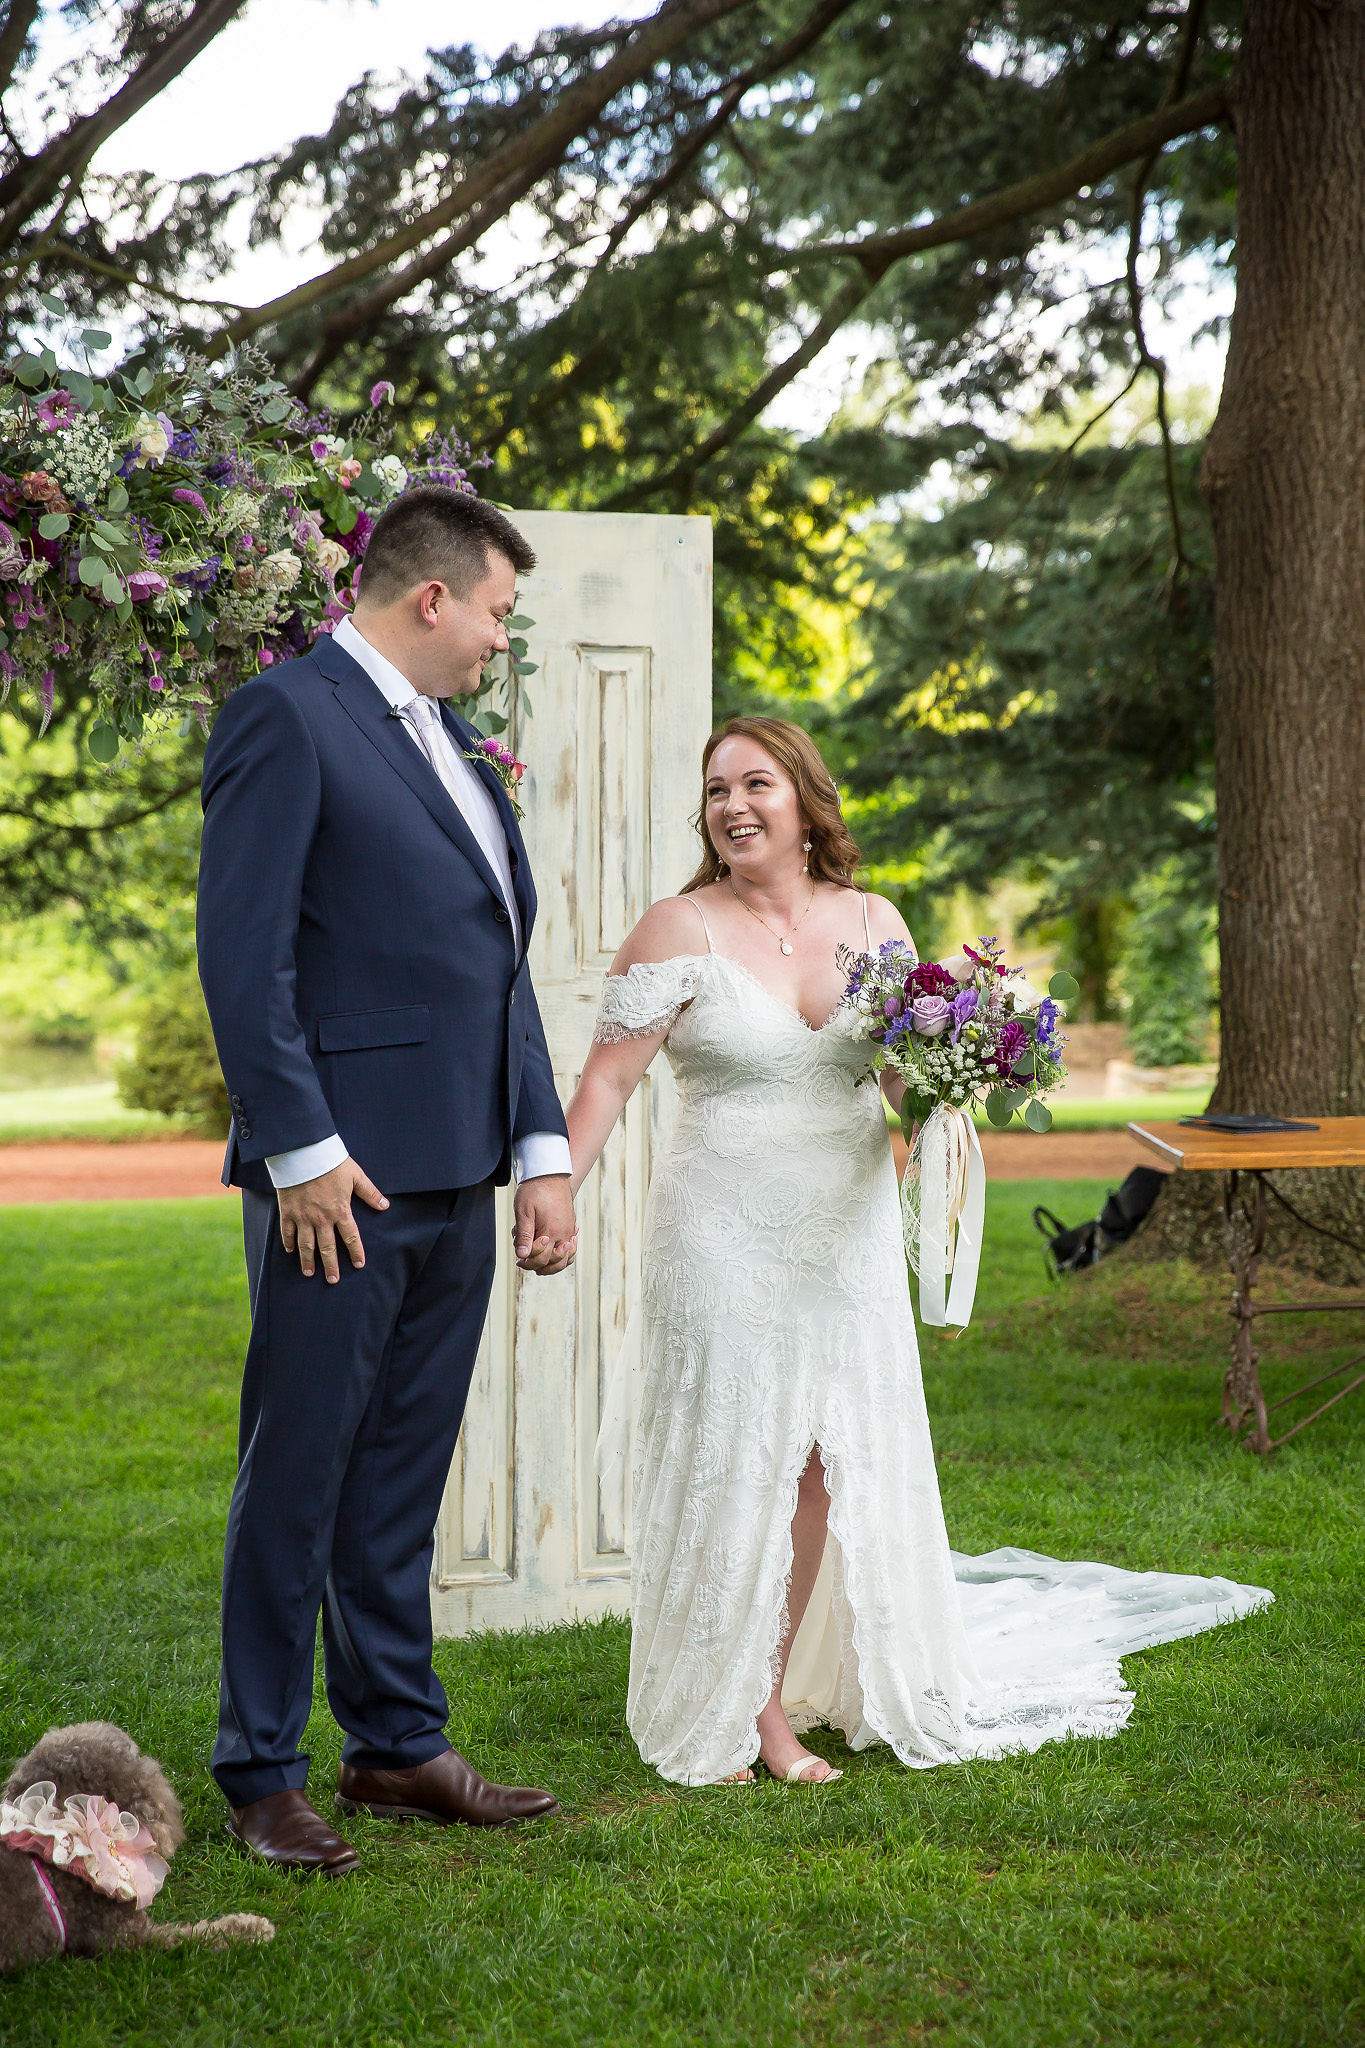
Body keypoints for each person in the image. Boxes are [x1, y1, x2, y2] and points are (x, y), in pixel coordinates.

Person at [564, 716, 1271, 1787]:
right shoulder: (677, 927)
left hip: (845, 1229)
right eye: (715, 789)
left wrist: (955, 1072)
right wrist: (550, 1190)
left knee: (815, 1464)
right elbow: (607, 1081)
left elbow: (899, 1079)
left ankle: (775, 1684)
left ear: (804, 799)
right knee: (740, 1455)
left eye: (755, 782)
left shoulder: (871, 919)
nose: (732, 805)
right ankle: (750, 1711)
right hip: (720, 1229)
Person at [197, 487, 577, 1874]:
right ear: (431, 598)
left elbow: (493, 969)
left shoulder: (460, 748)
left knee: (401, 1475)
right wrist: (300, 1154)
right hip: (337, 1186)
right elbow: (246, 959)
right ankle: (259, 1768)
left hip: (461, 1174)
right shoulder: (286, 718)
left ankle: (396, 1745)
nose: (496, 639)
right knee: (297, 1473)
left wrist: (537, 1148)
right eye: (494, 611)